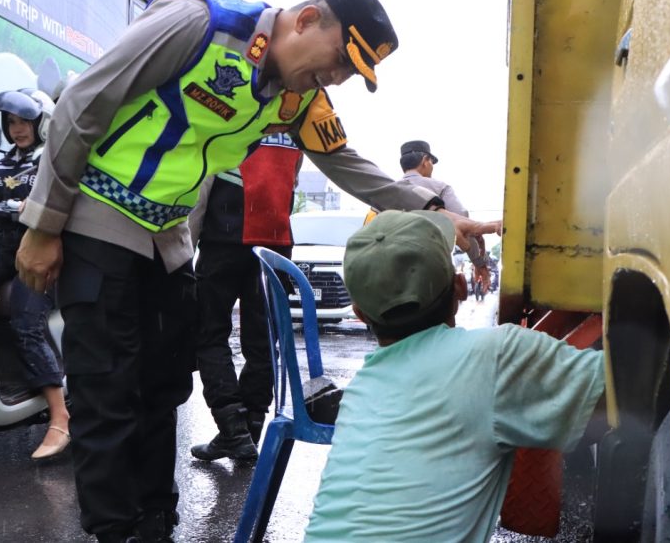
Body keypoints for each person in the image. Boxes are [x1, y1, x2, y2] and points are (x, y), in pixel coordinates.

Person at [13, 0, 499, 540]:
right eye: (341, 60)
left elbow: (347, 163)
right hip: (97, 220)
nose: (336, 79)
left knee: (163, 391)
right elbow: (83, 103)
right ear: (308, 20)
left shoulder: (298, 97)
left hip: (166, 241)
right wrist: (45, 225)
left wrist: (439, 209)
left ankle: (153, 524)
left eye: (348, 74)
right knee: (108, 395)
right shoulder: (201, 23)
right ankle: (115, 531)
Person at [304, 210, 604, 542]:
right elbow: (625, 392)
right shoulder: (496, 356)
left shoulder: (362, 389)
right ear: (460, 288)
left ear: (360, 315)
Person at [187, 133, 302, 462]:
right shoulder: (298, 125)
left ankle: (233, 430)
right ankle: (250, 428)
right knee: (263, 341)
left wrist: (184, 249)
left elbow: (203, 184)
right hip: (275, 242)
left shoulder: (240, 110)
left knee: (209, 335)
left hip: (224, 237)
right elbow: (291, 182)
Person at [0, 88, 70, 461]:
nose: (17, 129)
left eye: (24, 121)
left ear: (41, 122)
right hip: (1, 252)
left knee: (25, 321)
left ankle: (60, 416)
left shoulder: (53, 162)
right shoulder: (0, 165)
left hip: (43, 262)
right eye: (11, 122)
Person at [398, 140, 491, 282]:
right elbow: (462, 222)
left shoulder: (387, 191)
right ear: (425, 161)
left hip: (395, 269)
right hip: (433, 267)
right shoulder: (440, 188)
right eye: (431, 163)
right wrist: (479, 263)